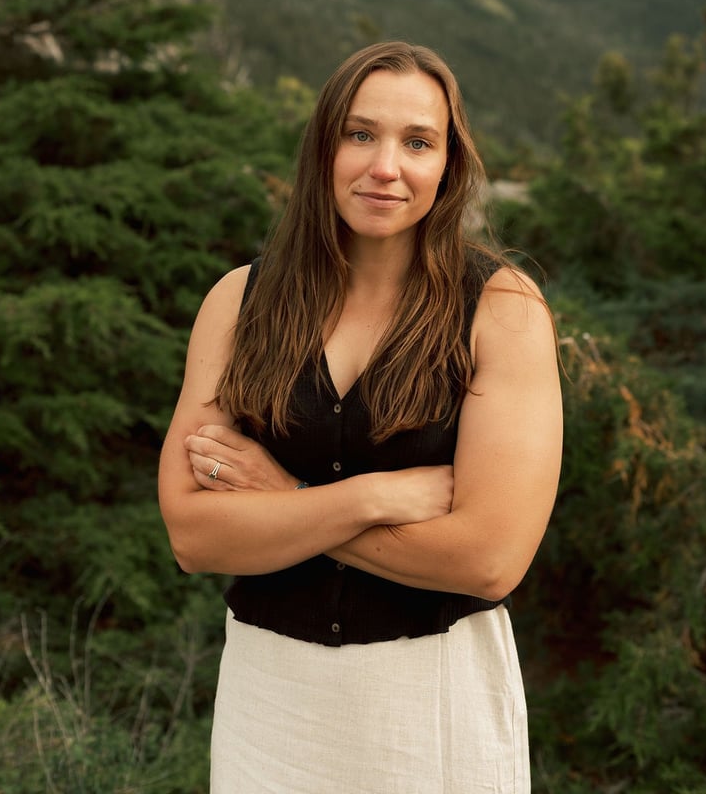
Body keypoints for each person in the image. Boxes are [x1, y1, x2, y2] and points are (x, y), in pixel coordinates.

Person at [158, 40, 562, 793]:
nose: (386, 165)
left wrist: (283, 503)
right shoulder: (237, 303)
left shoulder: (502, 310)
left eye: (417, 142)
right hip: (269, 696)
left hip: (434, 695)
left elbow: (489, 559)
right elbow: (191, 533)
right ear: (324, 148)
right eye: (360, 133)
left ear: (448, 163)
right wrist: (369, 498)